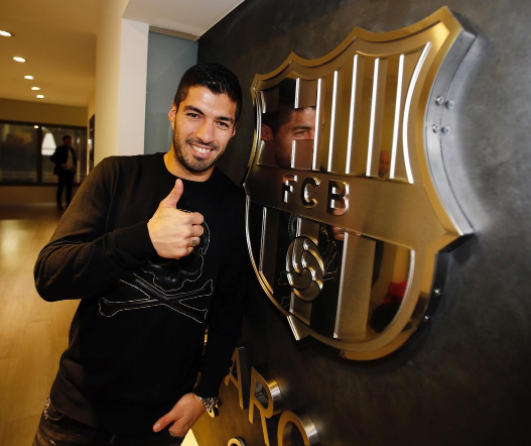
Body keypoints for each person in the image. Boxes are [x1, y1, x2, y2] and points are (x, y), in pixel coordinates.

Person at [33, 63, 246, 446]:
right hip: (77, 414)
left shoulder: (234, 205)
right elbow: (50, 276)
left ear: (233, 131)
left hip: (160, 424)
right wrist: (144, 238)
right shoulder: (115, 176)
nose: (205, 134)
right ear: (173, 113)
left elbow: (228, 309)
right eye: (194, 115)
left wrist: (206, 392)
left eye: (221, 122)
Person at [50, 134, 77, 210]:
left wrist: (74, 166)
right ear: (64, 141)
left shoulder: (72, 150)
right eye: (68, 140)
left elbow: (74, 160)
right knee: (61, 188)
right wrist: (61, 163)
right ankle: (59, 204)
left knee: (69, 189)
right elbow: (52, 158)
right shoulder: (60, 149)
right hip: (63, 172)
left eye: (70, 140)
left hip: (70, 172)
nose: (69, 142)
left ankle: (68, 204)